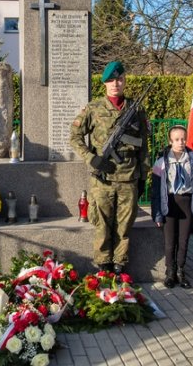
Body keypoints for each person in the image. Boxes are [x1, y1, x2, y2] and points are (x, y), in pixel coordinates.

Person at [69, 61, 150, 274]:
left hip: (129, 177)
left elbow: (143, 146)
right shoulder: (94, 109)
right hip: (103, 179)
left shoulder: (136, 109)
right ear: (105, 83)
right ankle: (103, 266)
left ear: (124, 81)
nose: (116, 83)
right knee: (102, 225)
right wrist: (91, 158)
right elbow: (75, 137)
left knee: (124, 227)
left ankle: (120, 265)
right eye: (111, 80)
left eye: (119, 79)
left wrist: (143, 176)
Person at [151, 125, 193, 289]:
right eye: (176, 139)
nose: (180, 142)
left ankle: (181, 271)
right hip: (169, 203)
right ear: (170, 141)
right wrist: (157, 214)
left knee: (183, 240)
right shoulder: (161, 162)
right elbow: (155, 191)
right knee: (169, 241)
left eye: (183, 139)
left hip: (186, 202)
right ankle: (170, 273)